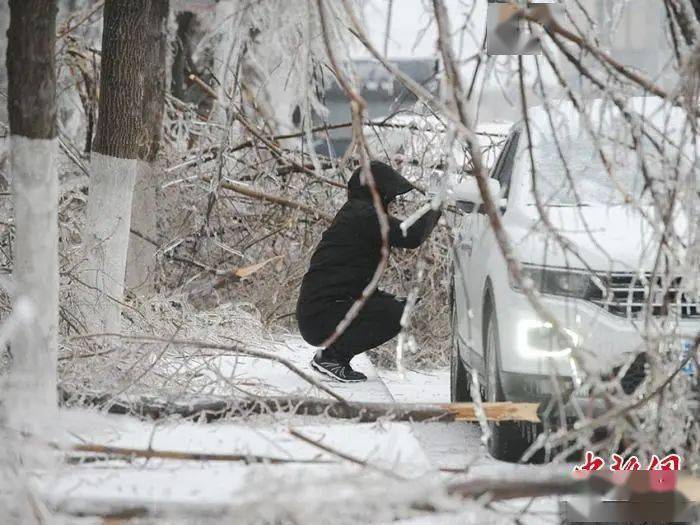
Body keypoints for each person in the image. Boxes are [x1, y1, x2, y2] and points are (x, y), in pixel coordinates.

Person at [296, 160, 442, 382]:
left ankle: (333, 355)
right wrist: (435, 204)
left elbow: (351, 277)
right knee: (397, 313)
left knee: (397, 307)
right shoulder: (363, 216)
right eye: (389, 196)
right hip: (321, 315)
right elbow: (411, 235)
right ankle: (332, 358)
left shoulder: (357, 213)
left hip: (321, 311)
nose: (391, 202)